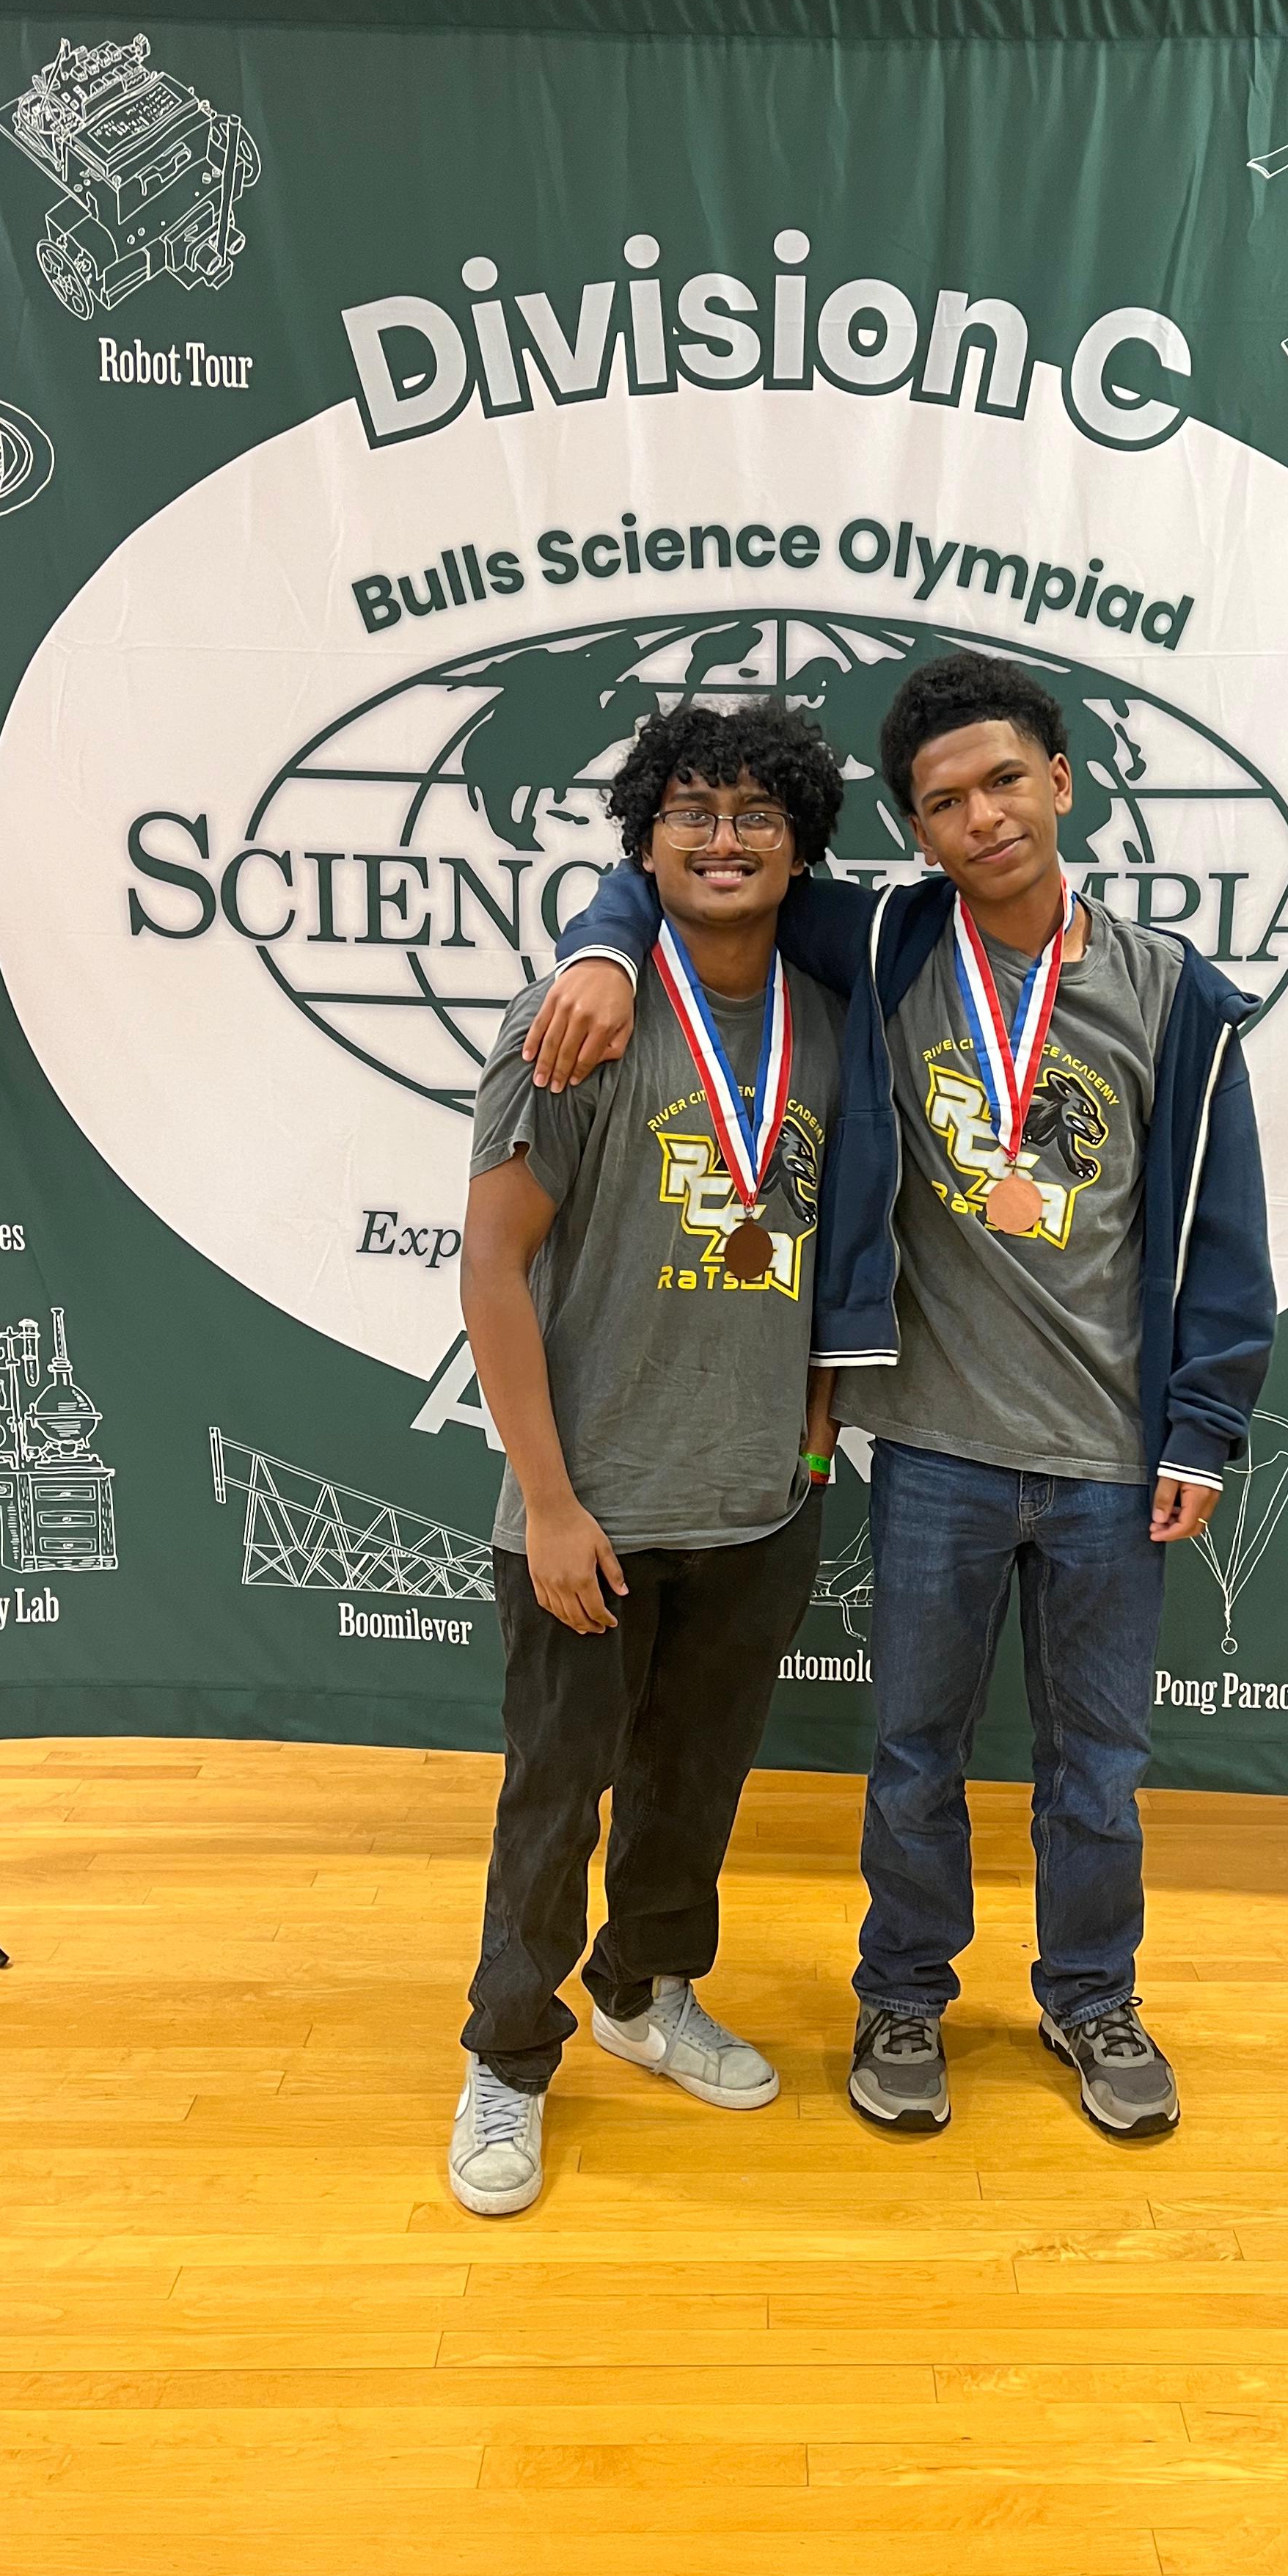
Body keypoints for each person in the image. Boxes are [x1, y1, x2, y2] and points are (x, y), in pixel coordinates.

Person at [527, 648, 1273, 2145]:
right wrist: (602, 949)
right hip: (933, 1446)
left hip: (1113, 1457)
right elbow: (686, 874)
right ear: (915, 830)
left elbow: (1220, 1221)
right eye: (944, 802)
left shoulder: (1170, 992)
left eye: (1005, 782)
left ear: (1062, 783)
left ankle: (1091, 1995)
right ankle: (903, 1995)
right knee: (915, 1755)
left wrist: (1206, 1422)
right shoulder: (888, 944)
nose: (982, 818)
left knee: (1099, 1769)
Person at [448, 698, 846, 2217]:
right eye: (692, 811)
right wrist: (549, 1502)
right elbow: (493, 1266)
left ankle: (643, 1991)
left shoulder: (829, 1020)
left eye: (757, 814)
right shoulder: (577, 1018)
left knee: (694, 1786)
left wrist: (815, 1418)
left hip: (757, 1500)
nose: (724, 838)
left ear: (801, 845)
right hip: (592, 1507)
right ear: (646, 839)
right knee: (556, 1801)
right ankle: (508, 2053)